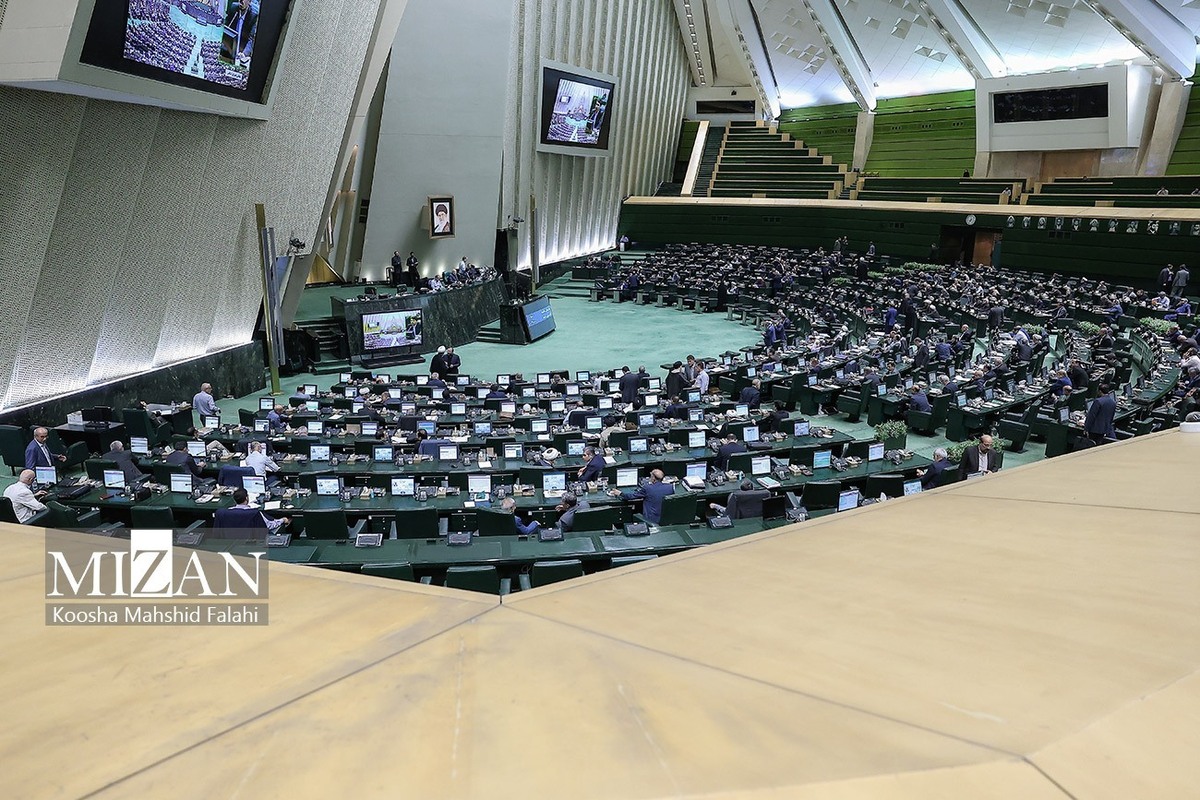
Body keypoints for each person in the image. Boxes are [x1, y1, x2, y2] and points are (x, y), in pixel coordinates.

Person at [218, 488, 290, 533]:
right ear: (247, 498)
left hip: (232, 542)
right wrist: (282, 520)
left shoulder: (226, 512)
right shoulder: (254, 513)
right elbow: (269, 525)